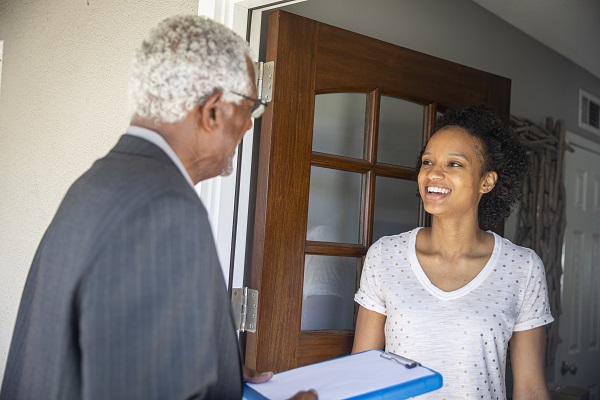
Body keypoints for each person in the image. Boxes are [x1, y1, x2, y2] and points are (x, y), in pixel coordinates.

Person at [0, 15, 316, 400]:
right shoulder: (165, 212)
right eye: (249, 107)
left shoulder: (95, 184)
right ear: (213, 110)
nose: (250, 126)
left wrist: (221, 373)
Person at [352, 105, 553, 399]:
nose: (433, 173)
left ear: (487, 181)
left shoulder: (522, 268)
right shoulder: (386, 256)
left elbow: (531, 389)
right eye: (427, 162)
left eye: (454, 164)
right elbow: (362, 373)